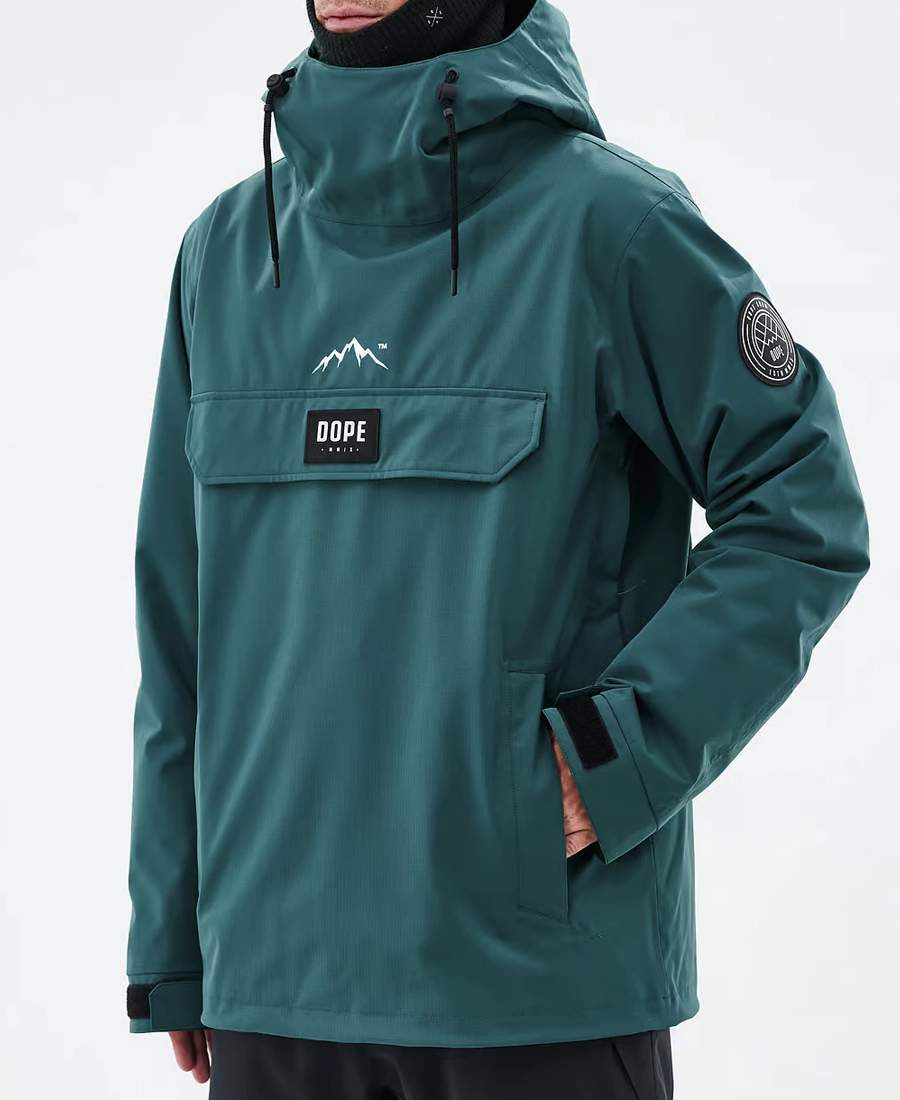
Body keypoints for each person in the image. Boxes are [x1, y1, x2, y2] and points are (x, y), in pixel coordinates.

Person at [124, 0, 870, 1096]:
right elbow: (177, 617)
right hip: (272, 987)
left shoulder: (616, 227)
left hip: (537, 991)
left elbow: (803, 508)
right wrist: (171, 939)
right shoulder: (224, 255)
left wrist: (613, 759)